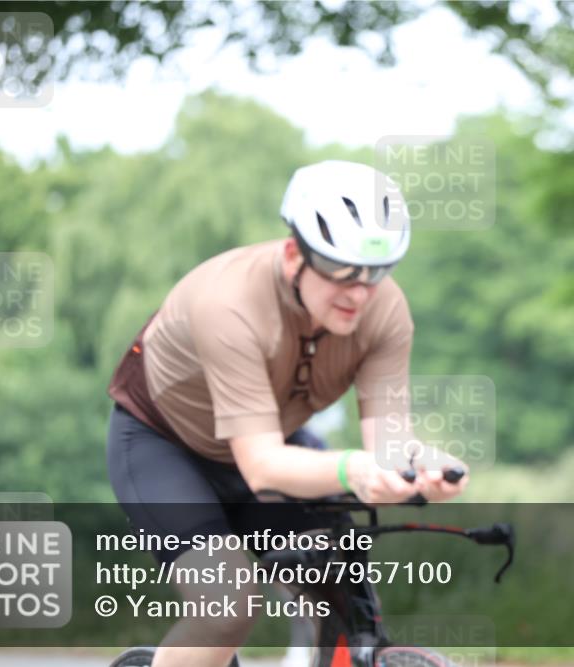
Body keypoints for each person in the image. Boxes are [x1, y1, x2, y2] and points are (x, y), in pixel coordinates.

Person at [105, 160, 469, 667]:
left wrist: (420, 466)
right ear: (295, 254)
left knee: (341, 582)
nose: (360, 292)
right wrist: (353, 469)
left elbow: (388, 444)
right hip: (164, 446)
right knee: (227, 606)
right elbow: (262, 467)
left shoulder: (385, 311)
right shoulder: (229, 302)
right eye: (342, 271)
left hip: (273, 441)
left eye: (376, 272)